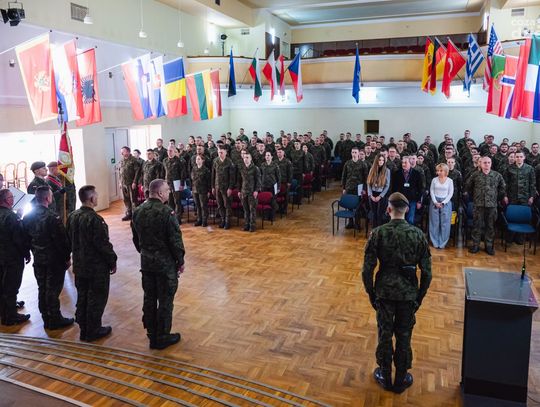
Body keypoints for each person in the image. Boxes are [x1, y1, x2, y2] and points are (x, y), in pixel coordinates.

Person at [362, 192, 431, 393]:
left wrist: (371, 294)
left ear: (388, 209)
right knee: (404, 335)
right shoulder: (418, 235)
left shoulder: (378, 233)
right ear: (407, 210)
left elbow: (367, 270)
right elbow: (427, 272)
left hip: (384, 293)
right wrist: (419, 297)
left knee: (384, 334)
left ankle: (385, 375)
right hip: (408, 295)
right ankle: (400, 378)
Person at [131, 179, 185, 350]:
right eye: (167, 190)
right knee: (165, 300)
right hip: (165, 266)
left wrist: (146, 252)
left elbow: (136, 239)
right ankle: (162, 336)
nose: (169, 192)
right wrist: (180, 261)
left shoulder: (138, 211)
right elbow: (175, 241)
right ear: (160, 193)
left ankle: (151, 333)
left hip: (146, 263)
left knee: (149, 298)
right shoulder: (167, 212)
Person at [66, 185, 117, 341]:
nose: (97, 197)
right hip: (96, 268)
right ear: (91, 198)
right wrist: (112, 260)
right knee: (96, 298)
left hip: (79, 265)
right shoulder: (95, 219)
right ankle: (93, 330)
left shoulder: (72, 216)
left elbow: (67, 240)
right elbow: (102, 244)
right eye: (96, 195)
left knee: (82, 296)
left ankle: (84, 328)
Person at [22, 186, 74, 329]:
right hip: (54, 260)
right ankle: (55, 319)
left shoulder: (27, 217)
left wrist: (30, 252)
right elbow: (61, 241)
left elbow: (25, 238)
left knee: (42, 288)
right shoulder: (52, 217)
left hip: (38, 259)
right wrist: (67, 257)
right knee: (53, 290)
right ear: (47, 198)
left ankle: (46, 317)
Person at [0, 188, 31, 325]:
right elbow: (19, 239)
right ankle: (11, 317)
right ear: (7, 200)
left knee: (2, 286)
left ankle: (4, 312)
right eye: (11, 197)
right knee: (11, 287)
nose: (13, 199)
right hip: (12, 258)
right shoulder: (11, 217)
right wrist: (26, 253)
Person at [465, 156, 506, 255]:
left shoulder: (497, 175)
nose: (486, 164)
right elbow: (468, 187)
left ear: (491, 163)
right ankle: (475, 245)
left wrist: (495, 198)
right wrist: (475, 197)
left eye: (488, 162)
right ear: (480, 164)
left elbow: (502, 188)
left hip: (492, 206)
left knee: (490, 227)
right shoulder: (475, 175)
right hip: (478, 205)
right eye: (484, 162)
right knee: (477, 226)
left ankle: (489, 246)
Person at [391, 156, 424, 225]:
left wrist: (419, 201)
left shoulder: (416, 174)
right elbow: (393, 188)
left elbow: (420, 188)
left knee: (410, 220)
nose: (403, 164)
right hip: (400, 200)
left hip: (412, 200)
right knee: (400, 220)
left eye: (405, 163)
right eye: (402, 163)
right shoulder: (397, 173)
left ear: (410, 163)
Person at [429, 164, 454, 249]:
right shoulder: (434, 180)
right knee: (434, 223)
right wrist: (435, 202)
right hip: (434, 202)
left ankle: (442, 243)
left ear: (445, 171)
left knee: (445, 224)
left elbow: (450, 193)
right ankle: (435, 242)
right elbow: (432, 191)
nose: (438, 172)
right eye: (437, 171)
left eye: (441, 171)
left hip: (445, 203)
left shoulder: (450, 181)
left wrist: (443, 203)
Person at [211, 146, 236, 229]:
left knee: (227, 205)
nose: (220, 154)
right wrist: (213, 187)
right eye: (219, 152)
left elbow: (232, 177)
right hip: (217, 186)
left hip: (226, 188)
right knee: (220, 205)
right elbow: (213, 175)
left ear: (225, 152)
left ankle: (227, 221)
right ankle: (222, 220)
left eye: (221, 152)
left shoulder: (229, 162)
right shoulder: (215, 161)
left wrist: (230, 188)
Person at [163, 146, 187, 224]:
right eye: (168, 151)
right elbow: (164, 172)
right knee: (170, 201)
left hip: (177, 183)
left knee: (177, 201)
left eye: (171, 151)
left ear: (174, 151)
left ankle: (178, 218)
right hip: (168, 184)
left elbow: (183, 173)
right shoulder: (165, 160)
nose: (169, 152)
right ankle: (171, 217)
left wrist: (182, 184)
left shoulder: (179, 160)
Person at [238, 153, 261, 232]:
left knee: (252, 210)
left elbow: (258, 181)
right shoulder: (242, 168)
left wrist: (256, 190)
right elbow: (239, 180)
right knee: (246, 210)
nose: (246, 159)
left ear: (251, 159)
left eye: (247, 157)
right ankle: (246, 224)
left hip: (252, 192)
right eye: (244, 158)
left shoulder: (255, 168)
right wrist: (239, 190)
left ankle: (252, 225)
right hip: (244, 192)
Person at [366, 154, 391, 228]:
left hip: (381, 194)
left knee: (379, 213)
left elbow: (387, 185)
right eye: (380, 160)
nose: (381, 162)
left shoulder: (387, 171)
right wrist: (370, 195)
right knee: (373, 213)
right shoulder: (372, 169)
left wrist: (380, 196)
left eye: (383, 160)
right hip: (372, 194)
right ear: (376, 160)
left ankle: (379, 230)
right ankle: (374, 230)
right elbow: (368, 183)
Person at [118, 146, 142, 221]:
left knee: (133, 199)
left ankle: (135, 214)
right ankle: (129, 213)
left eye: (123, 151)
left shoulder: (134, 160)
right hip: (123, 183)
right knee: (126, 199)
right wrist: (120, 182)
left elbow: (137, 172)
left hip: (131, 183)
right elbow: (119, 172)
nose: (122, 153)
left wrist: (134, 182)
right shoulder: (121, 161)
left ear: (128, 151)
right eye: (121, 152)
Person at [191, 155, 211, 227]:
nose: (197, 160)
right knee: (198, 206)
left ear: (203, 160)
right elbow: (192, 179)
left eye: (199, 159)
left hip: (203, 190)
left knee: (203, 206)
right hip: (195, 190)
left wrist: (208, 191)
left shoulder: (206, 170)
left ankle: (204, 220)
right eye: (197, 159)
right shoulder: (194, 169)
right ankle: (199, 219)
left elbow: (209, 181)